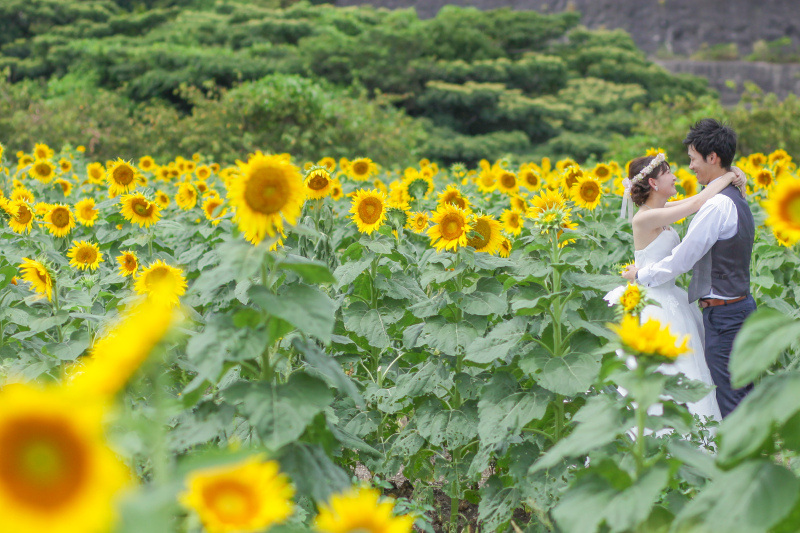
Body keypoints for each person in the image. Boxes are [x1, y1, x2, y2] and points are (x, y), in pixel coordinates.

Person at [623, 119, 756, 418]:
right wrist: (731, 175)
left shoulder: (716, 205)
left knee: (730, 395)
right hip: (724, 307)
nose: (689, 167)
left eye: (693, 159)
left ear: (713, 157)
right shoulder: (731, 198)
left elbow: (682, 258)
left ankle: (739, 445)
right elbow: (695, 203)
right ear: (653, 183)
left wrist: (641, 274)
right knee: (731, 390)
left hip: (723, 313)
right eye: (670, 171)